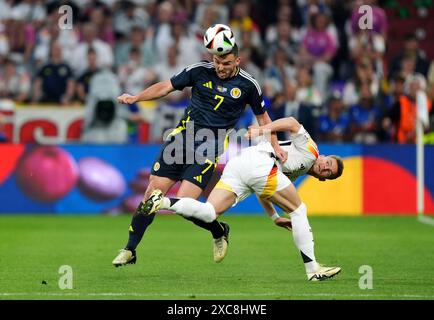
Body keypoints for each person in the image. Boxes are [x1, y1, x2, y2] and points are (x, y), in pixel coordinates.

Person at [112, 42, 288, 266]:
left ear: (237, 61)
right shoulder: (198, 71)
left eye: (225, 63)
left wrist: (277, 146)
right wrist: (136, 98)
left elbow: (264, 120)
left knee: (186, 205)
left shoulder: (249, 85)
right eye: (216, 61)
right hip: (180, 141)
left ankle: (219, 230)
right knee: (151, 194)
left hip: (208, 149)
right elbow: (166, 86)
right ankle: (130, 249)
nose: (220, 67)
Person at [141, 116, 344, 281]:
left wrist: (274, 218)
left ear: (322, 179)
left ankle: (163, 201)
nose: (325, 167)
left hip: (242, 164)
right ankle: (313, 269)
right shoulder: (311, 152)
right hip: (259, 162)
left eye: (328, 172)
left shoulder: (291, 172)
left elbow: (263, 189)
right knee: (299, 210)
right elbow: (291, 122)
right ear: (323, 155)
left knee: (209, 212)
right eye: (328, 162)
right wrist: (262, 129)